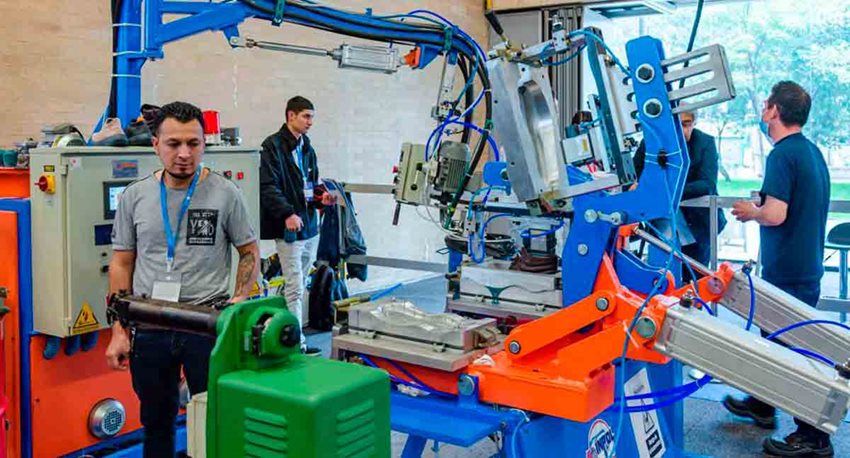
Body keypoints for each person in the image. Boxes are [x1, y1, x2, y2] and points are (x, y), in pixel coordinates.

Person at [105, 101, 260, 458]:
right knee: (156, 422)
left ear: (204, 144)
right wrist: (118, 330)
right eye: (174, 144)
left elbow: (249, 251)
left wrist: (237, 302)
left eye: (194, 143)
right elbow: (121, 263)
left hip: (206, 325)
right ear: (155, 144)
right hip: (151, 324)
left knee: (216, 420)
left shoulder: (225, 193)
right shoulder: (135, 196)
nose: (184, 154)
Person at [724, 81, 832, 457]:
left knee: (797, 356)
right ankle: (762, 403)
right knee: (775, 344)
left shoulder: (782, 155)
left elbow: (775, 214)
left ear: (775, 112)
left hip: (789, 271)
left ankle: (814, 437)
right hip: (803, 266)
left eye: (766, 103)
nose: (763, 109)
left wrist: (749, 212)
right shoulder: (810, 152)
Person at [260, 96, 333, 355]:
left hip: (310, 226)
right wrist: (287, 214)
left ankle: (285, 328)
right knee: (294, 284)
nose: (310, 122)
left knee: (299, 284)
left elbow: (310, 183)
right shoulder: (272, 147)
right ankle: (296, 343)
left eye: (312, 117)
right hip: (290, 227)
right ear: (290, 116)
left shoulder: (306, 147)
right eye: (306, 116)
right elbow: (268, 187)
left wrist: (320, 196)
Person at [633, 110, 727, 276]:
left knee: (696, 280)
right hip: (661, 225)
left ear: (694, 123)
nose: (681, 130)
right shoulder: (650, 143)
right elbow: (634, 175)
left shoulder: (705, 143)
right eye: (676, 125)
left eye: (686, 124)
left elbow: (707, 184)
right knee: (660, 277)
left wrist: (666, 191)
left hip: (697, 225)